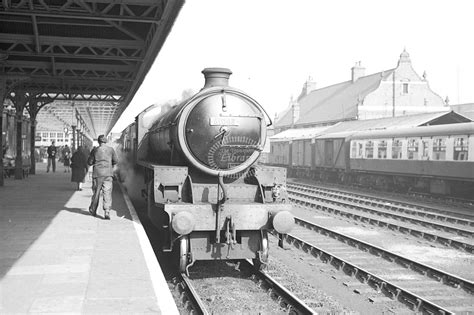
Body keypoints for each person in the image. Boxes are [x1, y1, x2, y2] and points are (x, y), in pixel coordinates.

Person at [87, 135, 118, 220]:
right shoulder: (111, 150)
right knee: (107, 192)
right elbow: (116, 161)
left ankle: (93, 210)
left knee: (96, 193)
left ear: (98, 142)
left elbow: (90, 162)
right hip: (108, 174)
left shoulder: (95, 150)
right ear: (106, 141)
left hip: (98, 174)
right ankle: (107, 211)